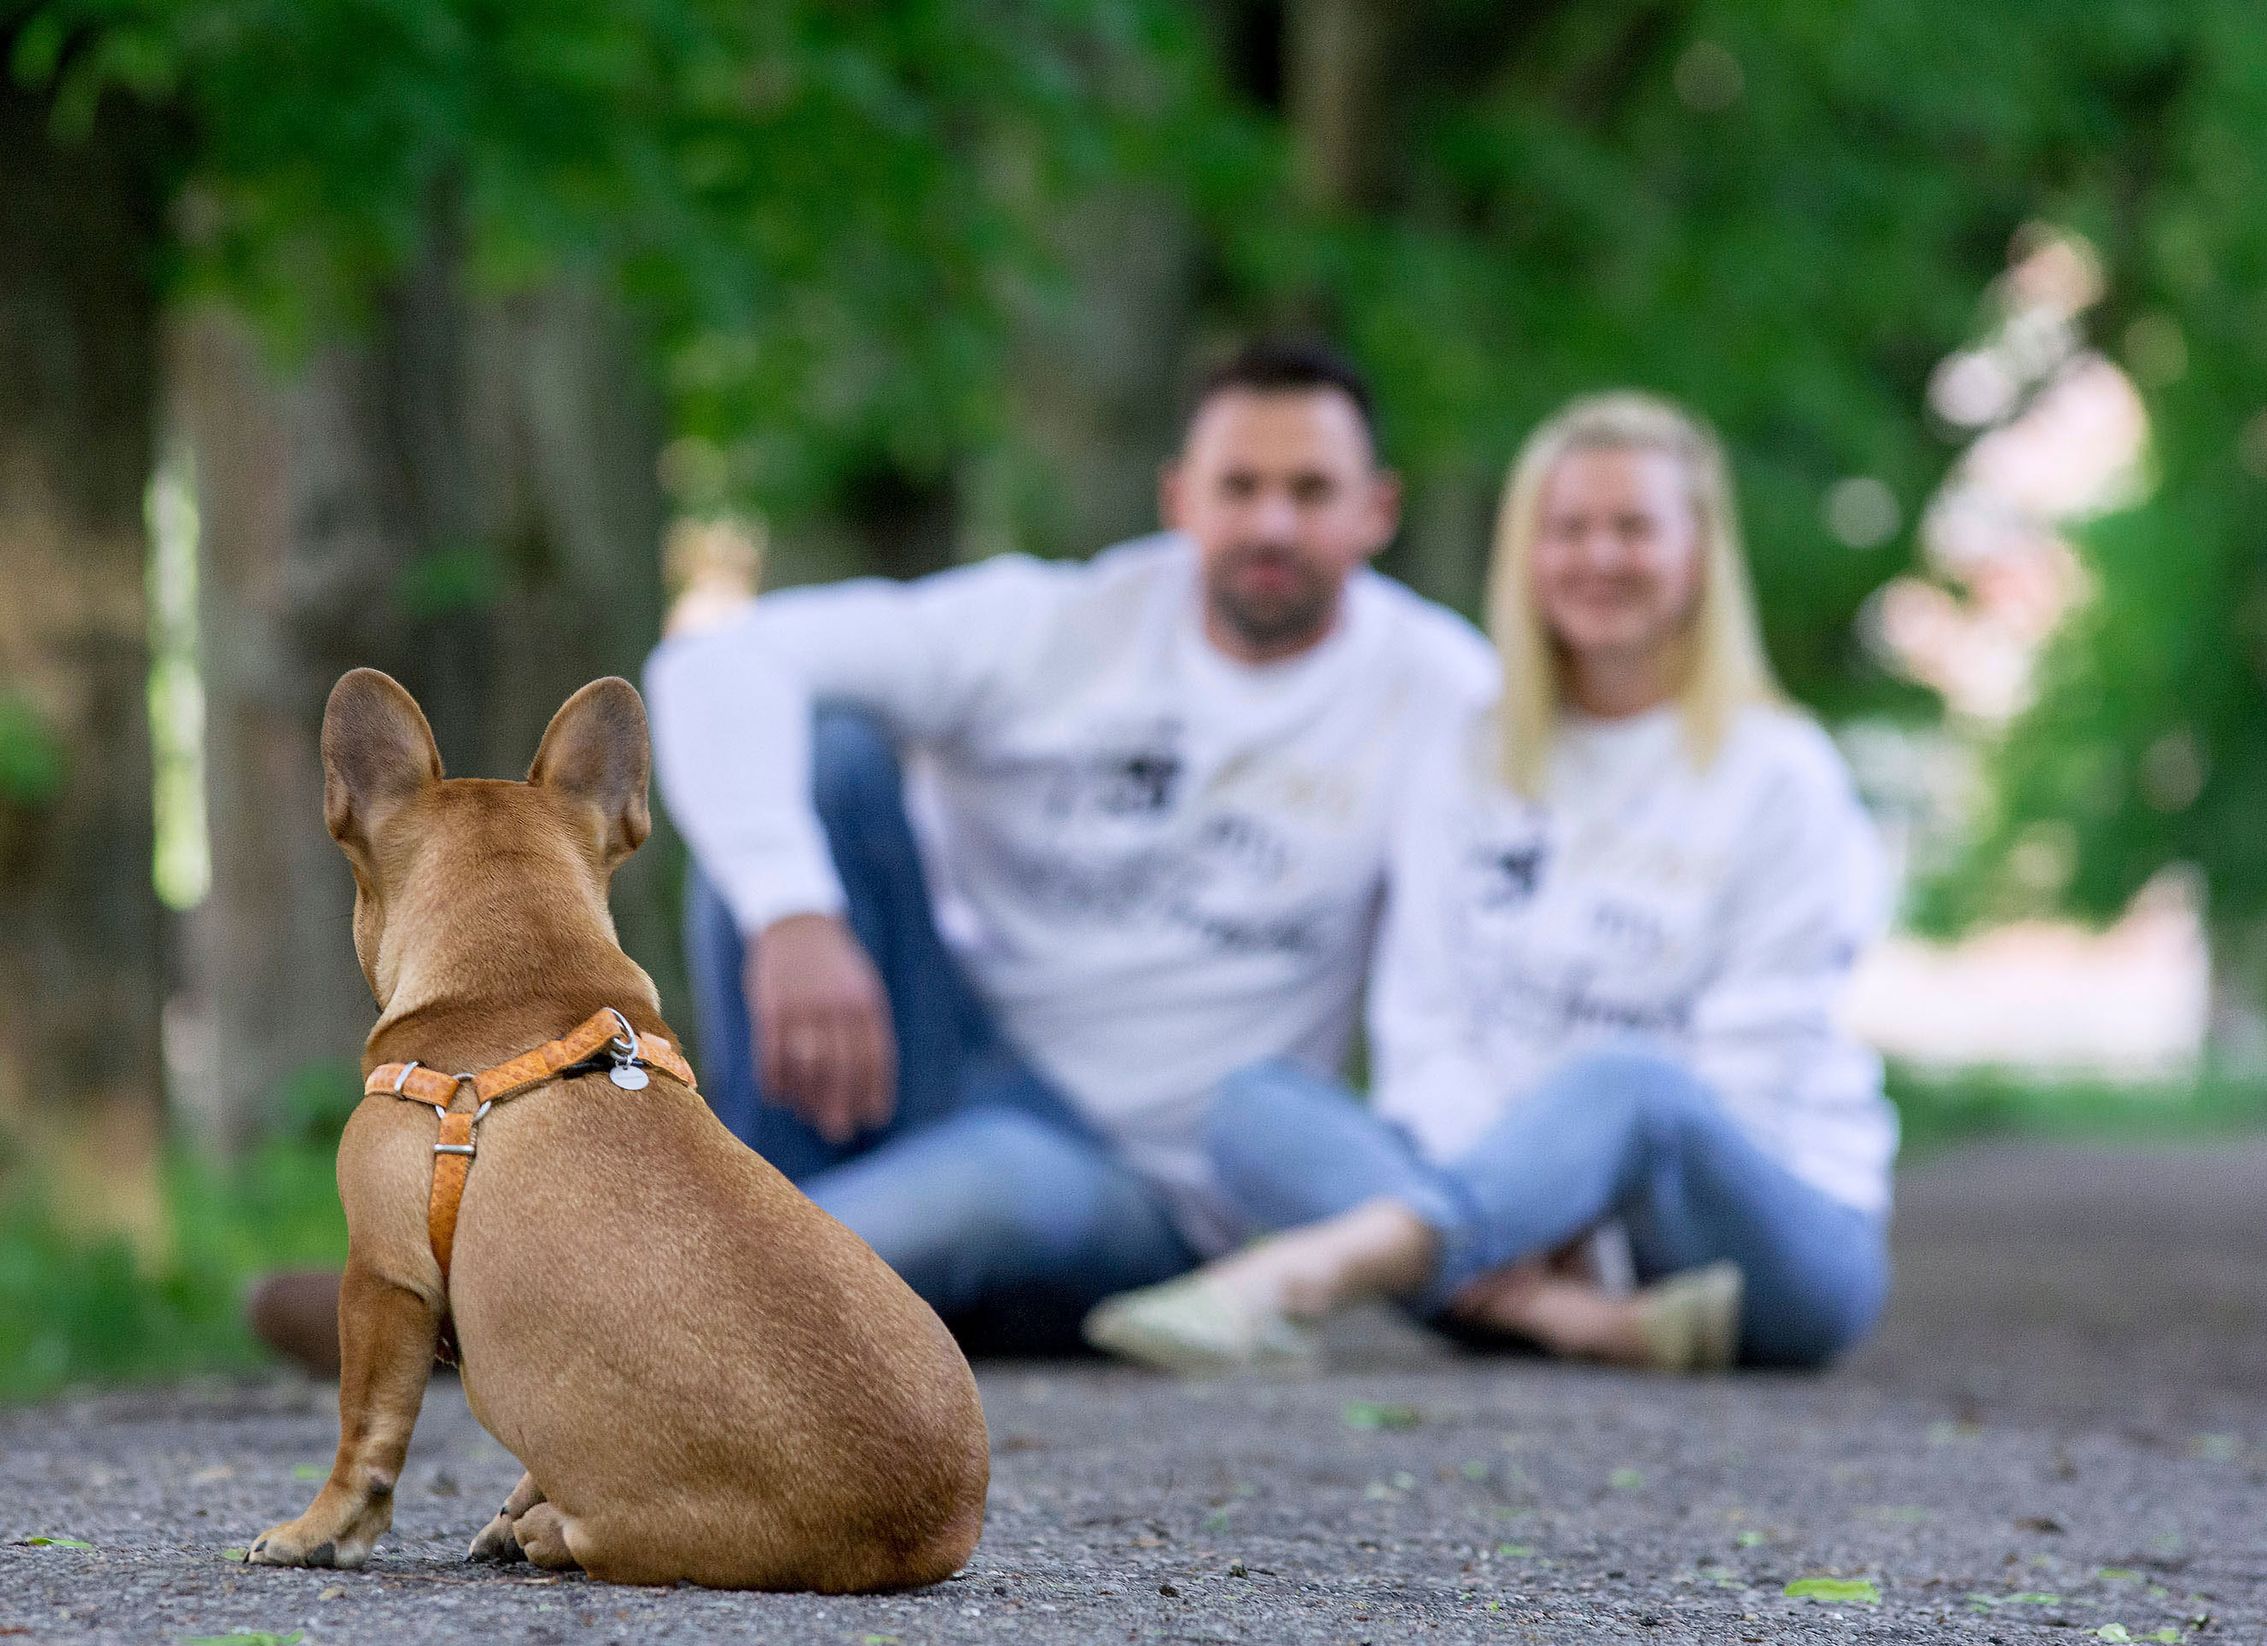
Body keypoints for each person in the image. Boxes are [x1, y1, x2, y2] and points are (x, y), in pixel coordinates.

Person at [645, 340, 1496, 1347]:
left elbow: (1483, 964)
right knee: (826, 758)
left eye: (1311, 490)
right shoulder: (1055, 623)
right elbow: (713, 662)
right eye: (1241, 485)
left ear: (1376, 511)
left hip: (1139, 1182)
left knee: (991, 1186)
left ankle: (643, 1299)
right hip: (931, 1057)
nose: (1272, 521)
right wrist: (791, 907)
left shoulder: (1442, 689)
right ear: (1180, 497)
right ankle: (763, 1258)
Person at [1084, 391, 1895, 1375]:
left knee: (1632, 1084)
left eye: (1633, 527)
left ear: (1698, 551)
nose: (1598, 557)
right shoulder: (1464, 755)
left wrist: (1563, 1205)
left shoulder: (1781, 774)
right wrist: (1519, 1208)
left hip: (1757, 1241)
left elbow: (1751, 1083)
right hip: (1513, 1217)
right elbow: (1426, 1032)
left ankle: (1301, 1275)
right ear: (1528, 552)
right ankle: (1579, 1325)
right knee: (1248, 1109)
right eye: (1568, 529)